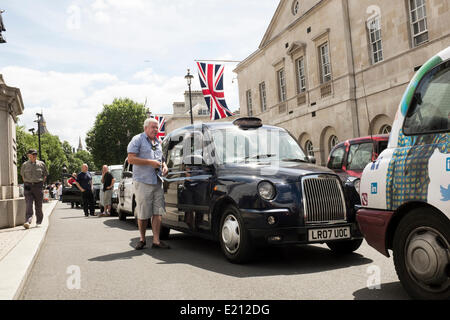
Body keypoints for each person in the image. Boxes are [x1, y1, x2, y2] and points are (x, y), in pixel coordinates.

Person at [127, 118, 169, 250]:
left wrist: (165, 166)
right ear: (145, 128)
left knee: (158, 212)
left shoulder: (158, 142)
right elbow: (131, 159)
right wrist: (150, 162)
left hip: (157, 181)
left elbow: (161, 159)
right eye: (153, 127)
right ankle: (142, 239)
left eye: (157, 128)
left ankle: (156, 241)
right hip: (143, 181)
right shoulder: (137, 139)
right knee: (143, 213)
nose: (156, 130)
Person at [20, 149, 48, 229]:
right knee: (28, 204)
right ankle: (28, 221)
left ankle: (39, 221)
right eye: (33, 154)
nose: (35, 156)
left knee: (38, 205)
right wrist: (27, 182)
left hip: (38, 185)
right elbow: (22, 176)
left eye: (35, 154)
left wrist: (40, 184)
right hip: (28, 185)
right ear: (29, 155)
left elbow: (45, 175)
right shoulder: (24, 165)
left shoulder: (41, 164)